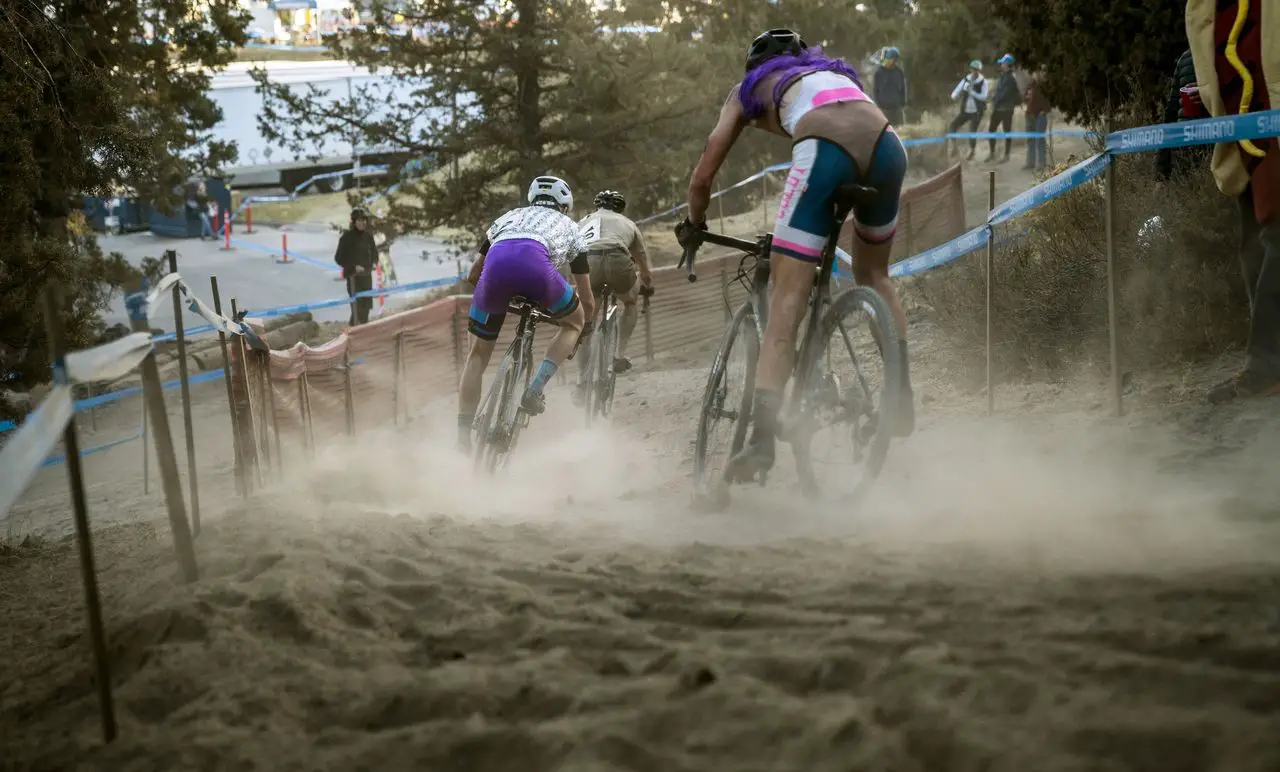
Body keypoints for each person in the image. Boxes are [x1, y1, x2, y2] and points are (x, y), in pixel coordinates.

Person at [676, 28, 915, 483]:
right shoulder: (836, 73)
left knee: (787, 297)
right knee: (875, 276)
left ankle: (761, 443)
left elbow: (703, 174)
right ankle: (900, 397)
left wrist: (695, 223)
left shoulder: (748, 89)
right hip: (888, 146)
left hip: (823, 149)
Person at [1186, 0, 1280, 403]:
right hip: (1242, 144)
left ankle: (1265, 367)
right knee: (1253, 254)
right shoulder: (1203, 5)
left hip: (1274, 133)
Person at [457, 176, 593, 452]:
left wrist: (499, 295)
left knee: (477, 356)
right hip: (537, 269)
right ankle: (535, 388)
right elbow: (587, 297)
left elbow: (473, 274)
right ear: (564, 205)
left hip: (494, 271)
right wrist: (583, 326)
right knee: (574, 322)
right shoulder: (570, 226)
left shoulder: (509, 217)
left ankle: (461, 436)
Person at [573, 190, 654, 397]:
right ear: (620, 207)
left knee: (587, 322)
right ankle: (618, 355)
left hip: (588, 262)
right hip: (618, 259)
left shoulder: (584, 221)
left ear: (597, 206)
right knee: (629, 302)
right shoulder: (628, 223)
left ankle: (582, 380)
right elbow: (641, 257)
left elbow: (571, 251)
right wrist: (647, 282)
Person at [1154, 48, 1208, 181]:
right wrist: (1160, 169)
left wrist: (1209, 94)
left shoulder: (1224, 53)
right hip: (1183, 154)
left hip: (1215, 149)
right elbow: (1171, 113)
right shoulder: (1184, 59)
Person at [334, 207, 378, 326]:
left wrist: (374, 262)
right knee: (357, 308)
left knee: (366, 307)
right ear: (354, 222)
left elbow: (374, 253)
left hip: (366, 276)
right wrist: (354, 267)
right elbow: (338, 258)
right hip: (354, 277)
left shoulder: (368, 237)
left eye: (364, 220)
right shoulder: (346, 238)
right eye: (359, 220)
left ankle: (364, 332)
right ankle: (353, 332)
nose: (362, 222)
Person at [948, 60, 989, 160]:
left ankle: (972, 151)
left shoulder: (983, 82)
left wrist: (972, 92)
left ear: (979, 71)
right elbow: (956, 91)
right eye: (973, 70)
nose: (975, 72)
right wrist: (954, 96)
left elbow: (984, 97)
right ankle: (954, 148)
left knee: (972, 131)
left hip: (977, 111)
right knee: (952, 126)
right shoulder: (966, 80)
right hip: (966, 110)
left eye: (977, 70)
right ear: (970, 69)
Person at [986, 53, 1021, 163]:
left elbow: (1004, 94)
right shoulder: (1003, 76)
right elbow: (999, 92)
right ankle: (992, 153)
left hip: (1006, 109)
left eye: (1003, 63)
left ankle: (1006, 155)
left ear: (1007, 64)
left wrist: (993, 102)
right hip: (1000, 108)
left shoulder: (1010, 78)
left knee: (1007, 131)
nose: (1001, 64)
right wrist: (994, 100)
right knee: (991, 129)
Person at [1022, 71, 1051, 172]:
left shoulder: (1045, 87)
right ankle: (1030, 163)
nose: (1035, 74)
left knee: (1040, 140)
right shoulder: (1030, 85)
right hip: (1029, 116)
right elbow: (1024, 98)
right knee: (1030, 140)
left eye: (1036, 72)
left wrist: (1045, 110)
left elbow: (1050, 100)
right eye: (1033, 72)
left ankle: (1041, 163)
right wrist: (1027, 97)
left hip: (1040, 116)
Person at [872, 46, 907, 127]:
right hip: (884, 109)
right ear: (887, 58)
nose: (895, 62)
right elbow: (875, 90)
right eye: (893, 59)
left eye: (896, 60)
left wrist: (903, 103)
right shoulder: (879, 72)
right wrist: (878, 105)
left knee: (899, 130)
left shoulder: (899, 72)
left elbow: (903, 88)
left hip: (897, 108)